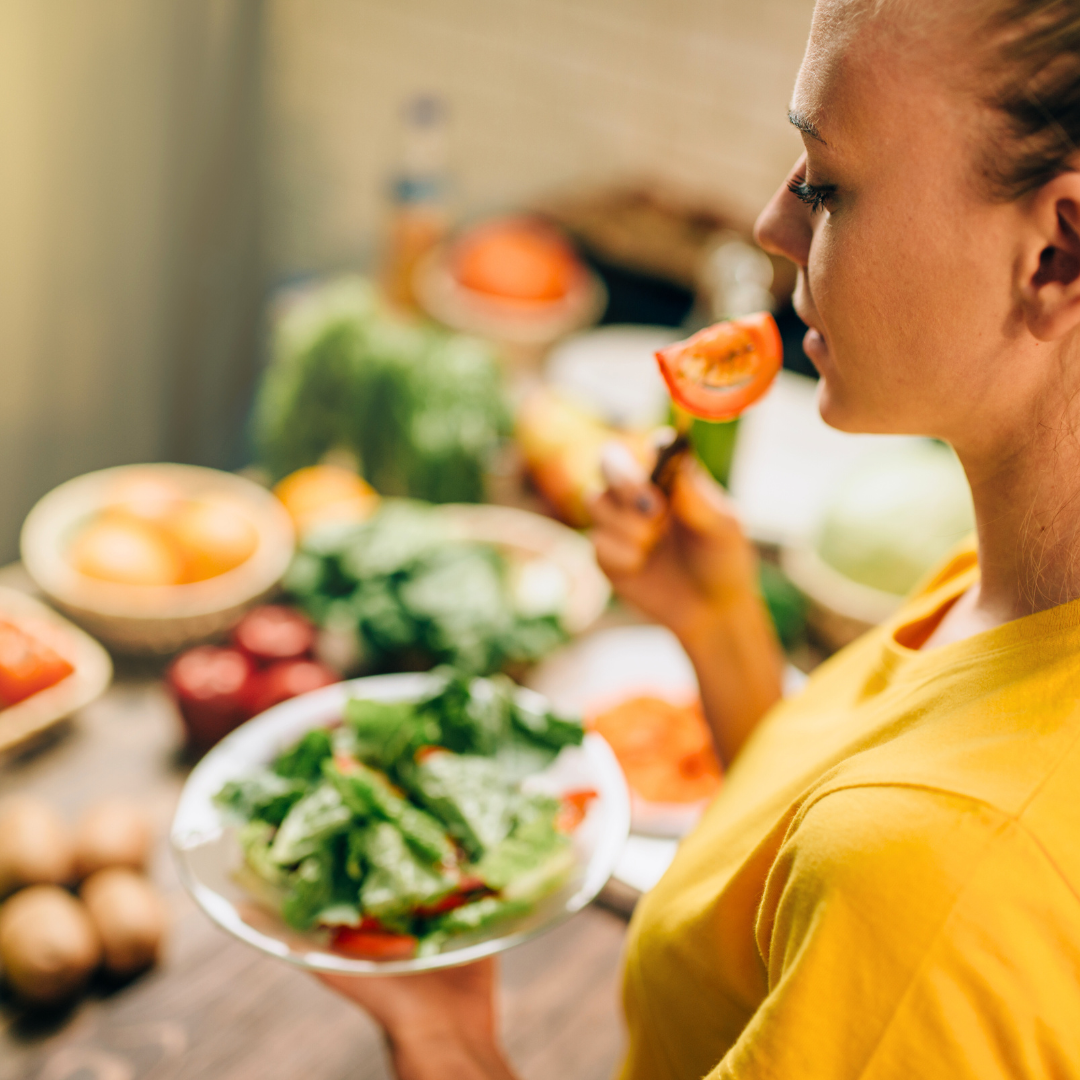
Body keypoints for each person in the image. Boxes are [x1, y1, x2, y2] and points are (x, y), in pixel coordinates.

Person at [320, 0, 1080, 1075]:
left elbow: (894, 879)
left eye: (824, 181)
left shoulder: (941, 896)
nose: (776, 225)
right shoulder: (1016, 581)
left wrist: (450, 1048)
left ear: (1056, 252)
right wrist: (719, 624)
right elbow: (813, 858)